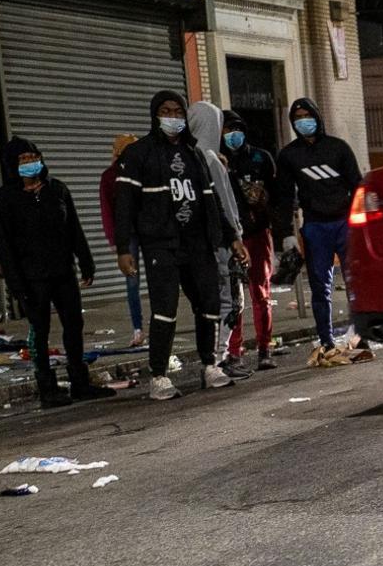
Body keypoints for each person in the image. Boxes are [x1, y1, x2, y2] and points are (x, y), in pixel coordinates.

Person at [114, 90, 240, 400]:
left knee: (210, 304)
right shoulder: (138, 154)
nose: (173, 117)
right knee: (165, 310)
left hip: (198, 243)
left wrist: (232, 238)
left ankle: (210, 365)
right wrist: (123, 248)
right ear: (155, 115)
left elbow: (213, 201)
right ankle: (159, 375)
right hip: (161, 245)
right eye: (166, 111)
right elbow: (124, 205)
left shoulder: (194, 154)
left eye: (178, 112)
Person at [0, 138, 113, 408]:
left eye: (33, 157)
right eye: (23, 159)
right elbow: (5, 247)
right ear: (12, 164)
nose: (29, 163)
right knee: (40, 330)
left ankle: (80, 382)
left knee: (73, 326)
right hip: (32, 277)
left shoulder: (57, 190)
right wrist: (16, 284)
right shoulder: (3, 200)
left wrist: (86, 260)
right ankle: (47, 387)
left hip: (62, 271)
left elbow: (74, 229)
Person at [273, 97, 372, 367]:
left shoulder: (337, 148)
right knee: (320, 286)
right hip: (315, 226)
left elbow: (357, 186)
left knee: (355, 282)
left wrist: (359, 222)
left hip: (343, 223)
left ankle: (361, 335)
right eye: (298, 117)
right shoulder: (289, 156)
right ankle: (326, 340)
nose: (303, 121)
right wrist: (285, 234)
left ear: (317, 116)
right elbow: (283, 197)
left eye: (307, 115)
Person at [186, 101, 251, 382]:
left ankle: (215, 357)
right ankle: (219, 357)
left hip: (200, 243)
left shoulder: (189, 157)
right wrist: (235, 236)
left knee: (211, 301)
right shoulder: (210, 159)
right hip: (222, 243)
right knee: (230, 300)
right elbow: (224, 203)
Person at [222, 109, 279, 372]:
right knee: (235, 297)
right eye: (227, 130)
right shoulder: (216, 161)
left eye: (237, 129)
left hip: (257, 233)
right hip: (232, 237)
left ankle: (265, 348)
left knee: (260, 292)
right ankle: (234, 351)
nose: (232, 135)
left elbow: (276, 193)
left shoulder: (260, 157)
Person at [98, 134, 144, 349]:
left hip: (149, 230)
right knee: (132, 281)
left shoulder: (144, 171)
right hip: (127, 236)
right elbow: (107, 210)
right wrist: (115, 241)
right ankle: (138, 327)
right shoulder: (110, 177)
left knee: (158, 278)